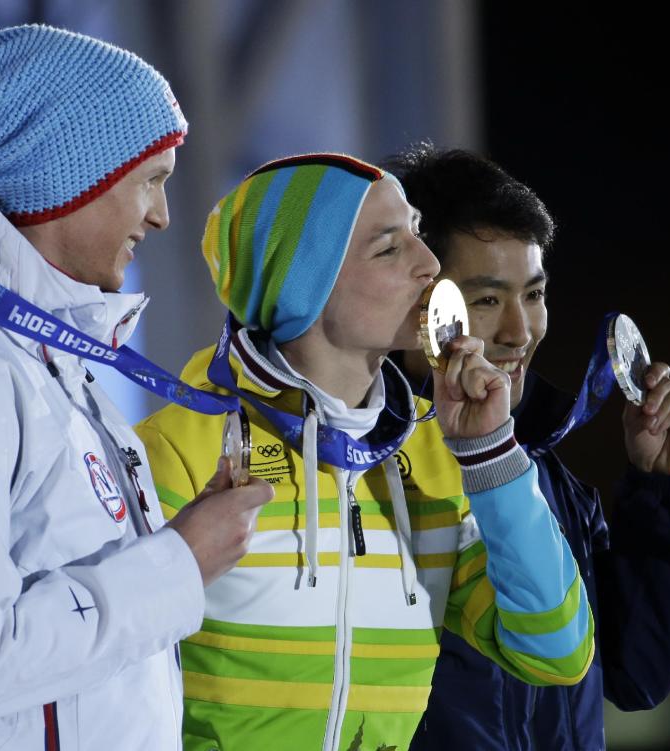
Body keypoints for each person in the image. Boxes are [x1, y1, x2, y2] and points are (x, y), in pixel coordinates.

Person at [0, 24, 272, 751]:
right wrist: (178, 560)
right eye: (151, 180)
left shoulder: (53, 373)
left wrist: (176, 546)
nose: (162, 215)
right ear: (72, 178)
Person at [136, 153, 595, 751]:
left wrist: (491, 456)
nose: (430, 265)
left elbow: (556, 652)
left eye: (417, 233)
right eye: (390, 248)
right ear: (307, 282)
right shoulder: (180, 451)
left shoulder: (434, 454)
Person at [383, 143, 670, 750]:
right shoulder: (366, 473)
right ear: (416, 305)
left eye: (533, 295)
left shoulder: (544, 475)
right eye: (486, 300)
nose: (520, 331)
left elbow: (636, 675)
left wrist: (663, 492)